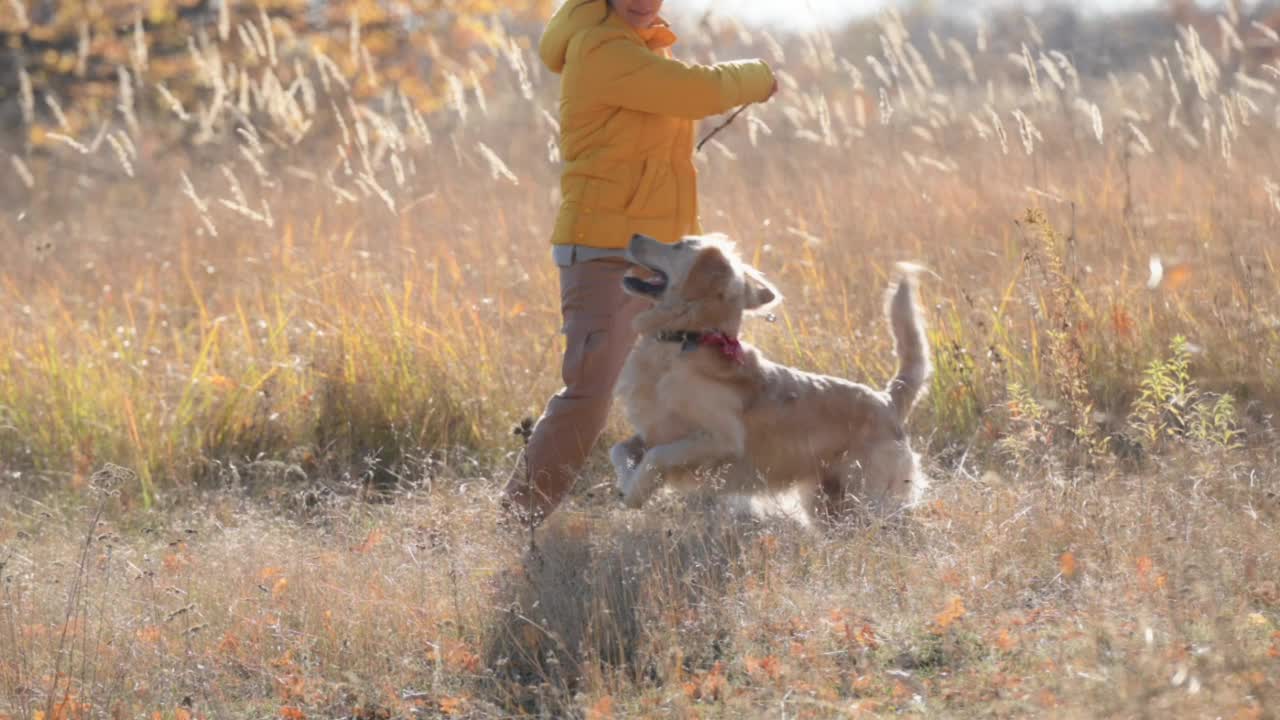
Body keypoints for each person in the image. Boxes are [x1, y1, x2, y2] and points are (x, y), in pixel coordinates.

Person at [501, 0, 778, 526]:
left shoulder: (646, 43)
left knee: (693, 382)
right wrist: (758, 75)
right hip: (605, 251)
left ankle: (698, 514)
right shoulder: (599, 46)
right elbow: (695, 91)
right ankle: (517, 523)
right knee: (589, 394)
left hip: (658, 252)